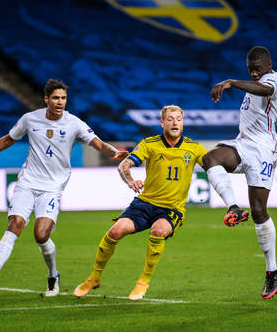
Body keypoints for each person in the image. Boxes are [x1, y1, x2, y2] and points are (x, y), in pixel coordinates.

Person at [0, 79, 128, 298]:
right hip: (27, 182)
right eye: (56, 98)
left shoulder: (74, 122)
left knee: (41, 235)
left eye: (64, 98)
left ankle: (53, 276)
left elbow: (97, 143)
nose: (60, 102)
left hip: (52, 188)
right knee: (15, 224)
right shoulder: (30, 119)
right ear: (46, 99)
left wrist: (113, 151)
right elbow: (8, 140)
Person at [74, 105, 208, 300]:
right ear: (162, 123)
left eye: (178, 119)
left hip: (171, 209)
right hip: (144, 203)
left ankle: (143, 281)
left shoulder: (194, 148)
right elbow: (124, 165)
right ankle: (95, 277)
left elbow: (214, 168)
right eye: (170, 119)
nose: (175, 123)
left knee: (158, 231)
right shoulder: (149, 144)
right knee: (115, 231)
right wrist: (130, 180)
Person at [203, 46, 277, 300]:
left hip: (264, 150)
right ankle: (232, 207)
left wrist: (232, 82)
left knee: (259, 212)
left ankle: (272, 270)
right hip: (243, 143)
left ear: (268, 65)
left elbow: (267, 89)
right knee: (210, 159)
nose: (254, 74)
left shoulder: (272, 79)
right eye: (250, 70)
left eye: (257, 69)